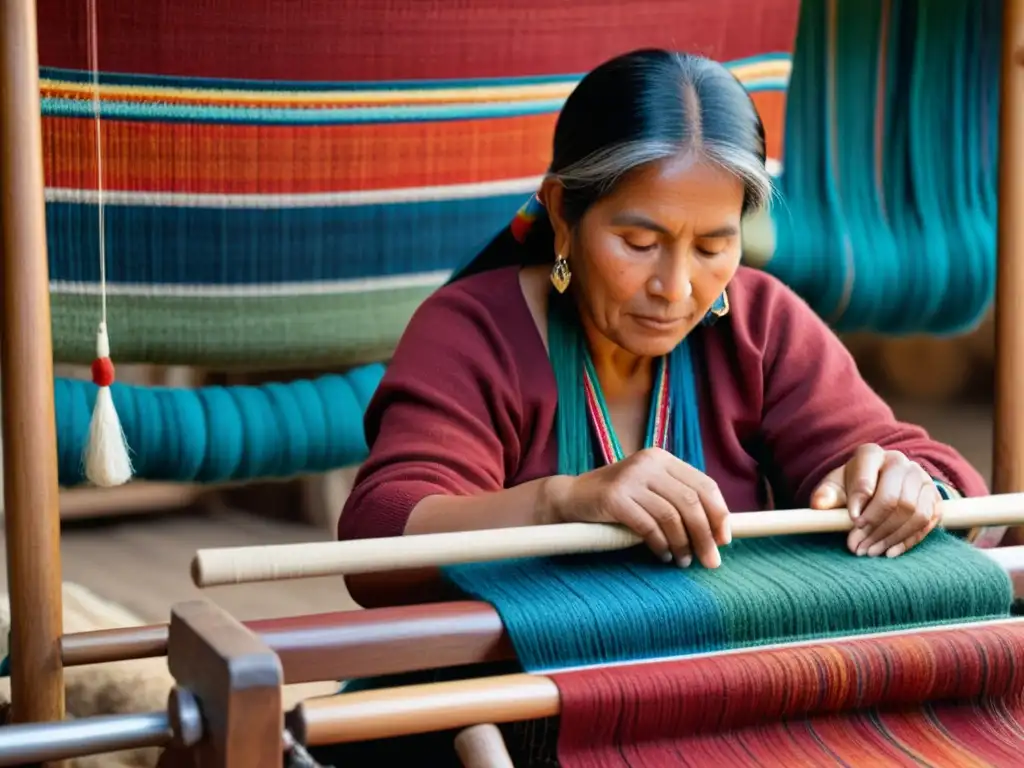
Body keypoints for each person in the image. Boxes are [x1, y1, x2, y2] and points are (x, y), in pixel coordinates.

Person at [337, 48, 988, 583]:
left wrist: (910, 486)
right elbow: (379, 536)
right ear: (563, 212)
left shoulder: (759, 324)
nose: (676, 288)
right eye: (640, 244)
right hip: (515, 707)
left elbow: (954, 487)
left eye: (713, 246)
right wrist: (560, 501)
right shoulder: (474, 333)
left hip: (732, 693)